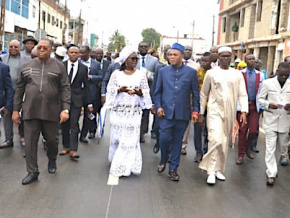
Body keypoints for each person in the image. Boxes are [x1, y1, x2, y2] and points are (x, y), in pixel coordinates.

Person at [12, 38, 71, 185]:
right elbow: (19, 89)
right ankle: (32, 171)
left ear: (51, 50)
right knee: (30, 142)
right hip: (30, 111)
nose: (42, 50)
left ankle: (52, 160)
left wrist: (65, 109)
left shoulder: (59, 67)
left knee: (52, 140)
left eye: (45, 48)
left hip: (51, 111)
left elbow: (65, 88)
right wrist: (15, 110)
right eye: (40, 48)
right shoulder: (27, 66)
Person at [198, 46, 248, 185]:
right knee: (215, 139)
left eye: (228, 56)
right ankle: (210, 171)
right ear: (218, 57)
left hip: (230, 110)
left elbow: (242, 94)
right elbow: (203, 94)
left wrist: (243, 111)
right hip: (214, 109)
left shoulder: (237, 74)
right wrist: (202, 113)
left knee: (225, 140)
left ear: (231, 58)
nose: (226, 59)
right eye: (223, 56)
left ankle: (219, 168)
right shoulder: (211, 73)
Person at [154, 43, 200, 181]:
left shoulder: (191, 72)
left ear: (181, 56)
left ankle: (173, 168)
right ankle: (163, 159)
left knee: (178, 142)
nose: (172, 57)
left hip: (182, 113)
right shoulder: (163, 71)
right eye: (170, 55)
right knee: (163, 138)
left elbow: (195, 94)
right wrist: (158, 106)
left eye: (175, 55)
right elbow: (157, 92)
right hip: (165, 113)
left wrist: (196, 112)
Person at [105, 46, 152, 177]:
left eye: (136, 58)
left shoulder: (141, 74)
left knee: (130, 141)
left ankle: (123, 167)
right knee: (118, 139)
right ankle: (115, 159)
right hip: (118, 112)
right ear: (125, 60)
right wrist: (120, 90)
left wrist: (139, 93)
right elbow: (110, 90)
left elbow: (146, 93)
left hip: (134, 113)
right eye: (133, 58)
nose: (135, 61)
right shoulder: (116, 74)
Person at [258, 62, 290, 186]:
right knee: (270, 147)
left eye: (286, 75)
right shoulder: (267, 83)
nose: (283, 77)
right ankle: (271, 173)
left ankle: (273, 167)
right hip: (271, 119)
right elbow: (260, 99)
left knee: (281, 147)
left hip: (285, 120)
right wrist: (268, 104)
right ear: (277, 71)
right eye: (281, 74)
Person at [60, 46, 93, 159]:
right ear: (68, 54)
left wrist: (89, 103)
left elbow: (86, 86)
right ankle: (66, 146)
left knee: (74, 124)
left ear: (79, 54)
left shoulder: (83, 68)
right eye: (71, 52)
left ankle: (74, 150)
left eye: (76, 53)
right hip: (63, 99)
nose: (74, 54)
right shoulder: (61, 65)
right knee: (64, 123)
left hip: (77, 99)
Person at [0, 40, 31, 148]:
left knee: (22, 115)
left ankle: (23, 137)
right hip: (6, 92)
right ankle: (9, 139)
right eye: (11, 46)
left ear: (20, 48)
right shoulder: (3, 58)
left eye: (16, 47)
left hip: (21, 92)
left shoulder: (26, 59)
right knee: (7, 114)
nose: (13, 48)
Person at [236, 54, 265, 165]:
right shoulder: (239, 74)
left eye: (254, 59)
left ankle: (247, 147)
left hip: (254, 106)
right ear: (246, 61)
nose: (252, 61)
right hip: (242, 106)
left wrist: (261, 106)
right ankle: (241, 154)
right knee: (243, 131)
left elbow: (262, 91)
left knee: (254, 130)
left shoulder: (260, 75)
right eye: (250, 59)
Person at [137, 41, 160, 143]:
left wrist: (151, 78)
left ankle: (142, 131)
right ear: (138, 48)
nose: (143, 48)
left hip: (149, 89)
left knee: (145, 112)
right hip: (136, 90)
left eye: (145, 47)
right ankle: (138, 132)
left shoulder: (154, 60)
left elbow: (157, 75)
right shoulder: (134, 59)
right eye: (141, 47)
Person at [79, 46, 103, 141]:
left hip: (90, 92)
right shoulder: (77, 63)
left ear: (88, 53)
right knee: (75, 114)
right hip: (78, 92)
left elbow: (101, 76)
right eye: (80, 52)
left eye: (83, 52)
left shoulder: (96, 64)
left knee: (88, 115)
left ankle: (84, 135)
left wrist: (91, 77)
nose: (81, 54)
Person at [191, 52, 212, 162]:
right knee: (197, 129)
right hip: (199, 105)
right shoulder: (196, 73)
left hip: (212, 106)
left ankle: (207, 150)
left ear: (211, 61)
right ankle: (198, 152)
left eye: (206, 61)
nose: (203, 63)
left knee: (209, 130)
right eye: (202, 61)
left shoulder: (214, 73)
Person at [181, 45, 200, 155]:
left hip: (189, 99)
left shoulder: (196, 67)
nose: (188, 52)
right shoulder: (177, 64)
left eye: (190, 50)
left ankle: (183, 146)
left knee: (186, 125)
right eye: (186, 50)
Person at [94, 48, 110, 117]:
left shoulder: (108, 64)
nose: (98, 55)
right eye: (97, 53)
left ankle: (102, 126)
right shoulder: (92, 63)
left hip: (104, 90)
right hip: (94, 90)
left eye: (100, 53)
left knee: (103, 111)